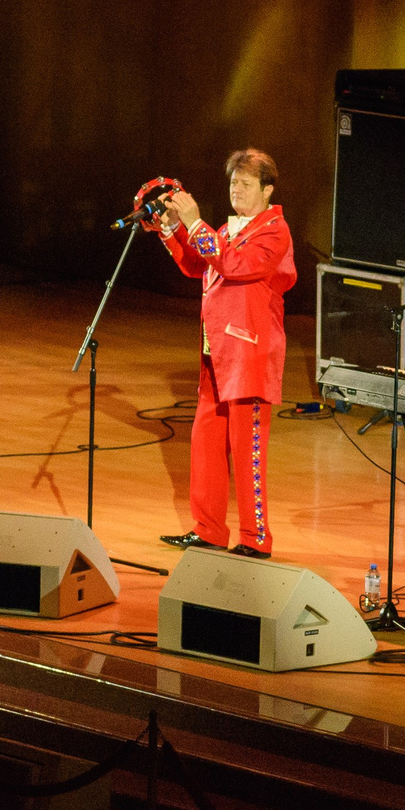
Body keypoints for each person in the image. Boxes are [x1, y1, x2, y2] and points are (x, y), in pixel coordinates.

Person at [154, 150, 296, 559]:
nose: (236, 189)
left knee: (247, 449)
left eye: (246, 184)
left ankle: (255, 539)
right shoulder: (231, 228)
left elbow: (233, 265)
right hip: (217, 351)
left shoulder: (274, 231)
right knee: (206, 442)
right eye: (233, 182)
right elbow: (200, 263)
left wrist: (194, 221)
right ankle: (209, 529)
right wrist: (171, 231)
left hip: (248, 353)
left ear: (267, 190)